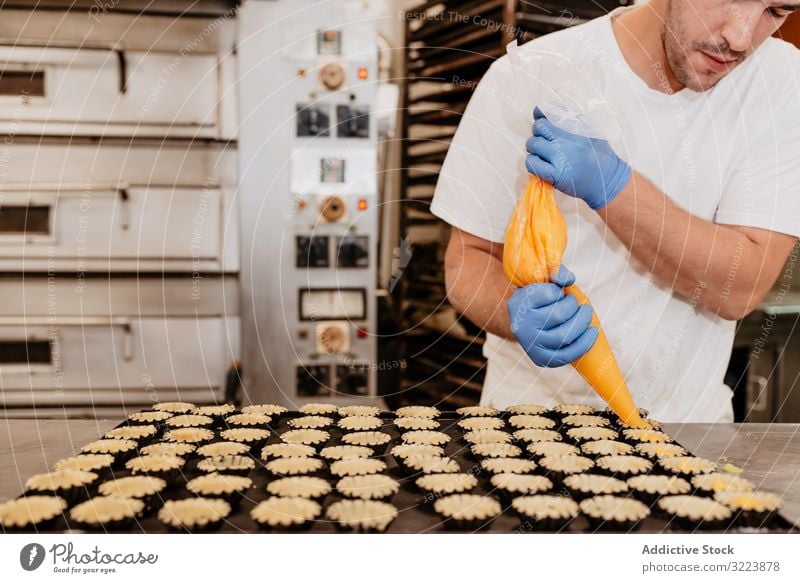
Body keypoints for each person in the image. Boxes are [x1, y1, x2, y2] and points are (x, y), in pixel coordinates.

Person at [431, 0, 800, 422]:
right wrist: (513, 312)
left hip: (688, 432)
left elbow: (742, 285)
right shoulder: (532, 74)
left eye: (777, 11)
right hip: (524, 425)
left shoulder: (781, 83)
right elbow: (468, 258)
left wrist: (614, 187)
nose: (740, 37)